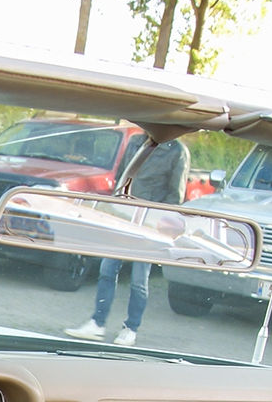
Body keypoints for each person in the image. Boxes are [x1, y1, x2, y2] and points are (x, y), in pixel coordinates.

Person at [65, 138, 190, 346]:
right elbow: (121, 178)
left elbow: (175, 195)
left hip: (149, 225)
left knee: (139, 280)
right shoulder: (135, 142)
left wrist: (157, 224)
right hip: (123, 218)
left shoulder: (177, 150)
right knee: (107, 270)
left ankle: (131, 328)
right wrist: (115, 209)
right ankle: (97, 323)